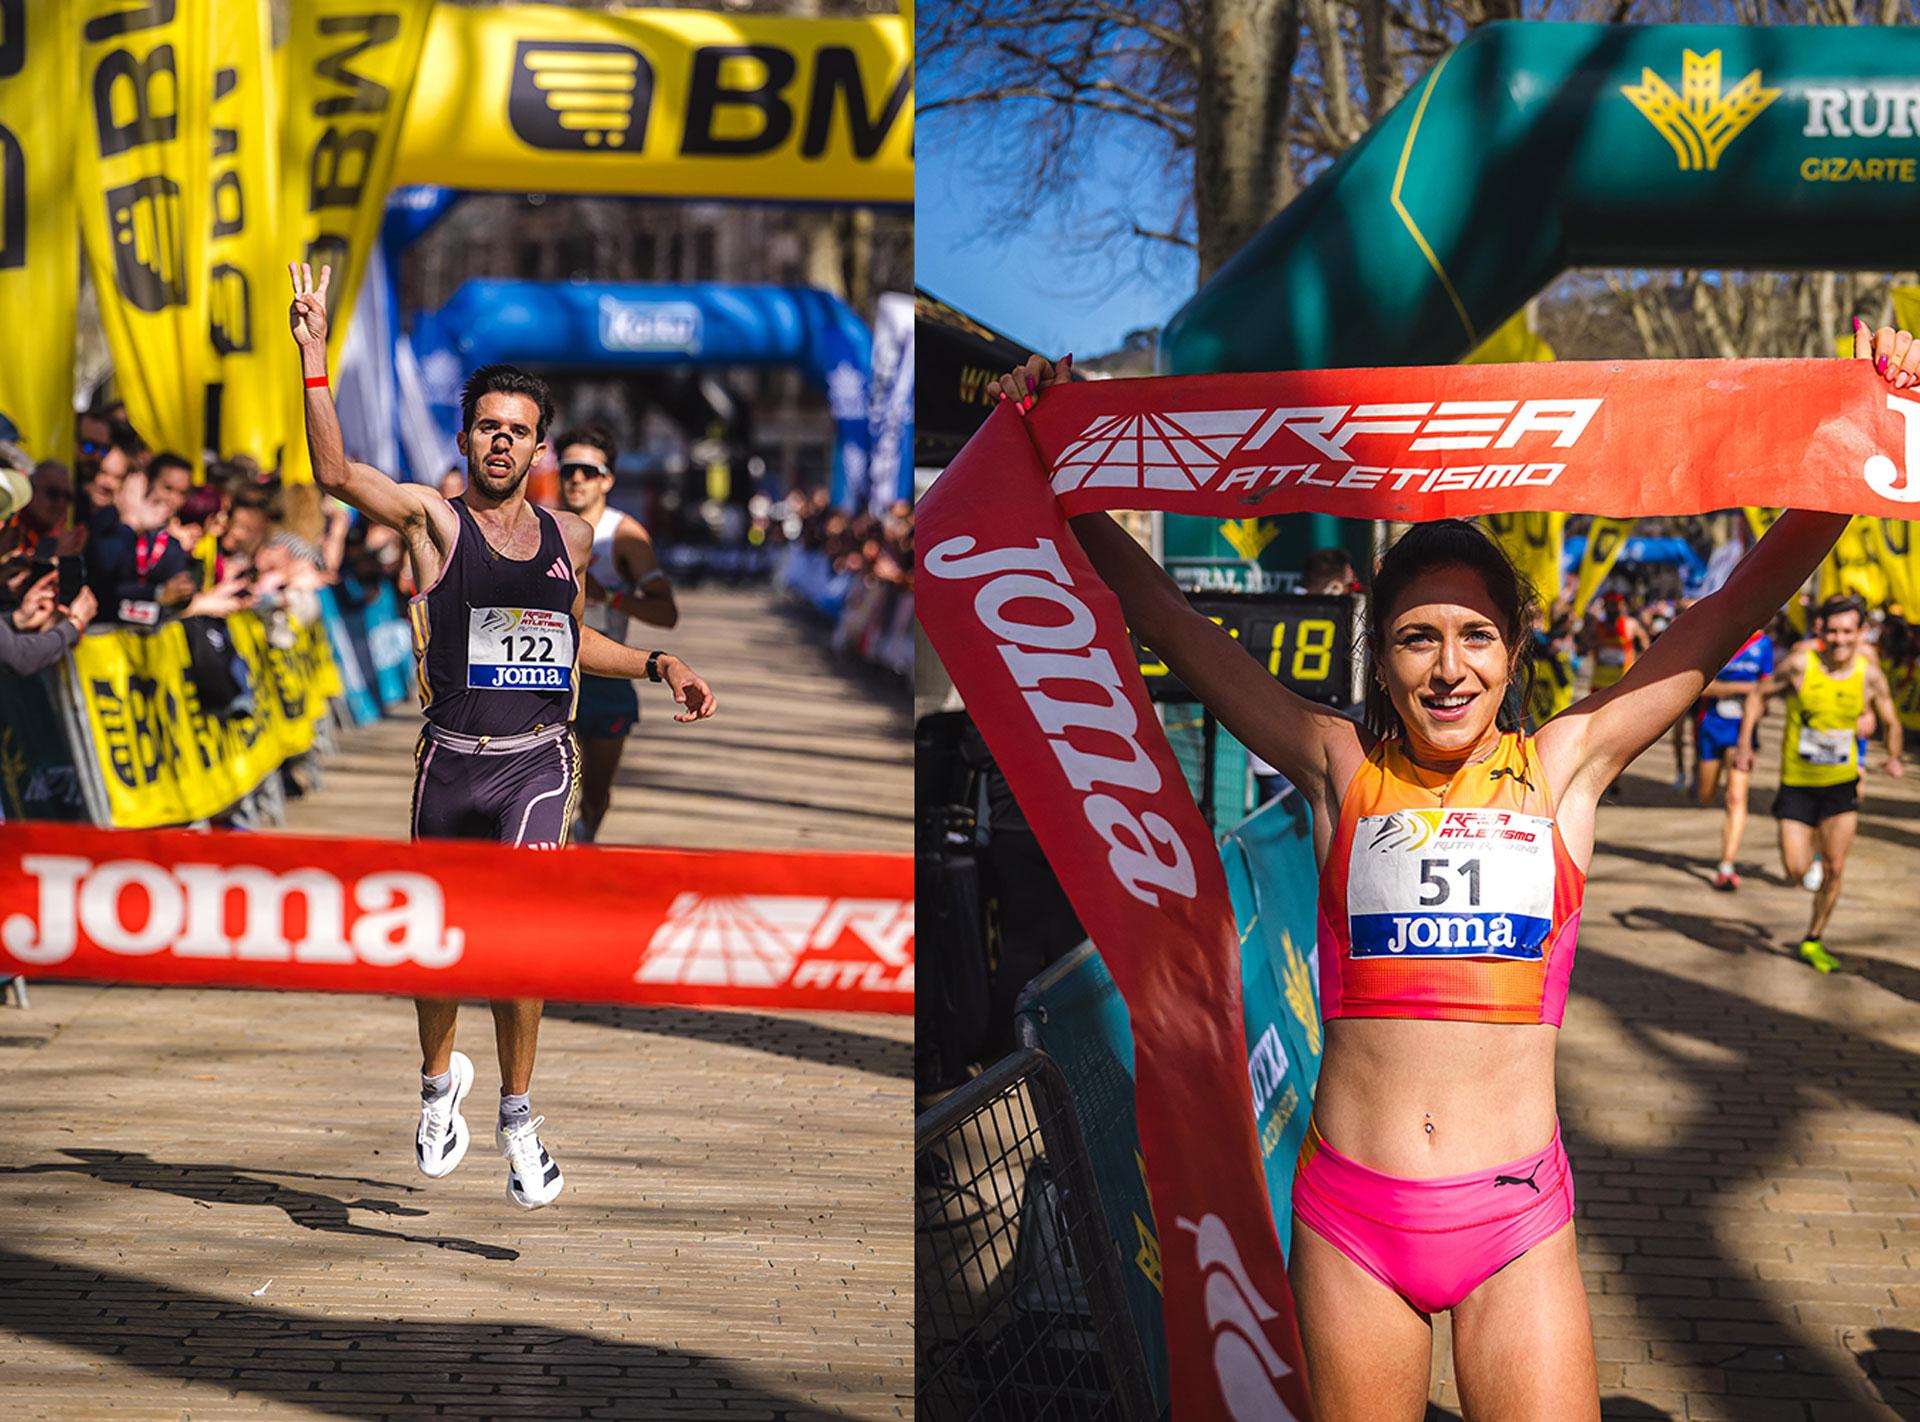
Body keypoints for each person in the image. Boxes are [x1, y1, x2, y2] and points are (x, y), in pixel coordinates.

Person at [989, 322, 1913, 1418]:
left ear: (1514, 653)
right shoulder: (1338, 766)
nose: (1448, 667)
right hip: (1351, 1221)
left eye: (1476, 636)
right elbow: (1174, 625)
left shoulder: (1564, 766)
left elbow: (1731, 613)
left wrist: (1864, 438)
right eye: (1417, 638)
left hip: (1515, 1223)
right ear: (1379, 659)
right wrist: (1057, 457)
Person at [289, 261, 717, 1209]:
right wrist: (314, 357)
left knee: (518, 938)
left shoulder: (572, 538)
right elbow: (333, 472)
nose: (502, 442)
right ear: (466, 434)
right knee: (440, 947)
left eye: (519, 432)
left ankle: (518, 1116)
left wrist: (658, 665)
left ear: (540, 449)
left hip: (535, 760)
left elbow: (570, 643)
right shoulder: (434, 522)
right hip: (448, 763)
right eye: (489, 426)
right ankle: (440, 1086)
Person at [1743, 593, 1902, 973]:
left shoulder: (1870, 674)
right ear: (1820, 630)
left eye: (1848, 631)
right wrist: (1745, 742)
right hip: (1798, 784)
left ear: (1862, 632)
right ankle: (1810, 855)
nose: (1840, 640)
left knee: (1835, 868)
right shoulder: (1799, 665)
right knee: (1796, 870)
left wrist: (1893, 756)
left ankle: (1813, 937)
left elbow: (1892, 720)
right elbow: (1757, 695)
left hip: (1841, 784)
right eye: (1832, 631)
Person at [553, 422, 678, 844]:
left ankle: (585, 834)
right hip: (547, 674)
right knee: (545, 785)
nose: (576, 479)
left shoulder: (624, 536)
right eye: (568, 469)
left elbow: (667, 613)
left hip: (606, 680)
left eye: (588, 471)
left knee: (596, 792)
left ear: (607, 479)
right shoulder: (539, 525)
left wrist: (612, 599)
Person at [1696, 627, 1773, 890]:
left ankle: (1726, 866)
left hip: (1741, 734)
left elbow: (1766, 689)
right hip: (1710, 726)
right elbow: (1700, 687)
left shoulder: (1764, 645)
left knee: (1736, 797)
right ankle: (1706, 784)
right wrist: (1739, 688)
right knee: (1705, 794)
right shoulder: (1718, 637)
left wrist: (1760, 704)